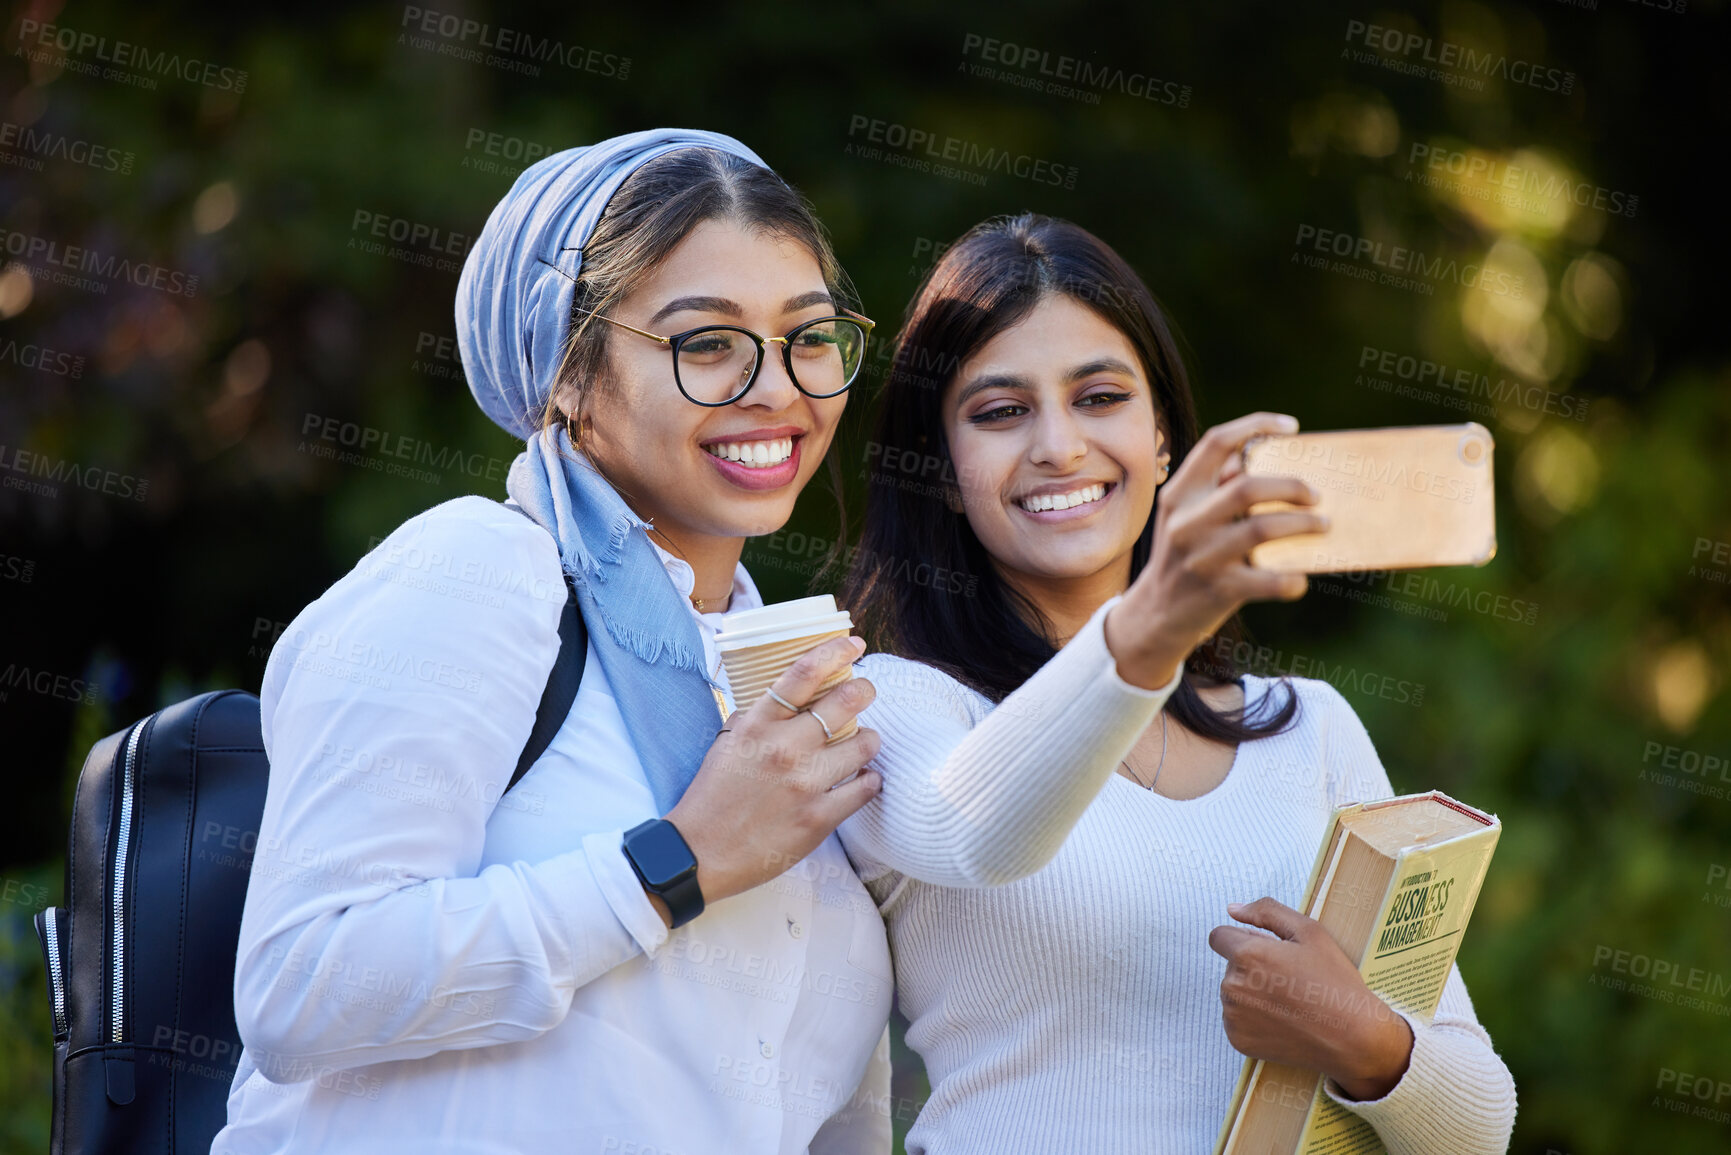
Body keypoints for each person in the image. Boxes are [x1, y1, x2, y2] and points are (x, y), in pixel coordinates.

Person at [214, 129, 897, 1155]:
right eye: (706, 341)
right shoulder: (482, 575)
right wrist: (681, 863)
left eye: (809, 336)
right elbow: (302, 983)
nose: (777, 388)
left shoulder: (780, 676)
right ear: (568, 376)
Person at [835, 213, 1518, 1155]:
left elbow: (1478, 1125)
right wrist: (1156, 618)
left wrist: (1361, 1039)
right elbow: (976, 829)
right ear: (945, 472)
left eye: (1100, 396)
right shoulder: (900, 706)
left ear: (1163, 439)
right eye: (999, 412)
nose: (1058, 446)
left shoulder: (1306, 729)